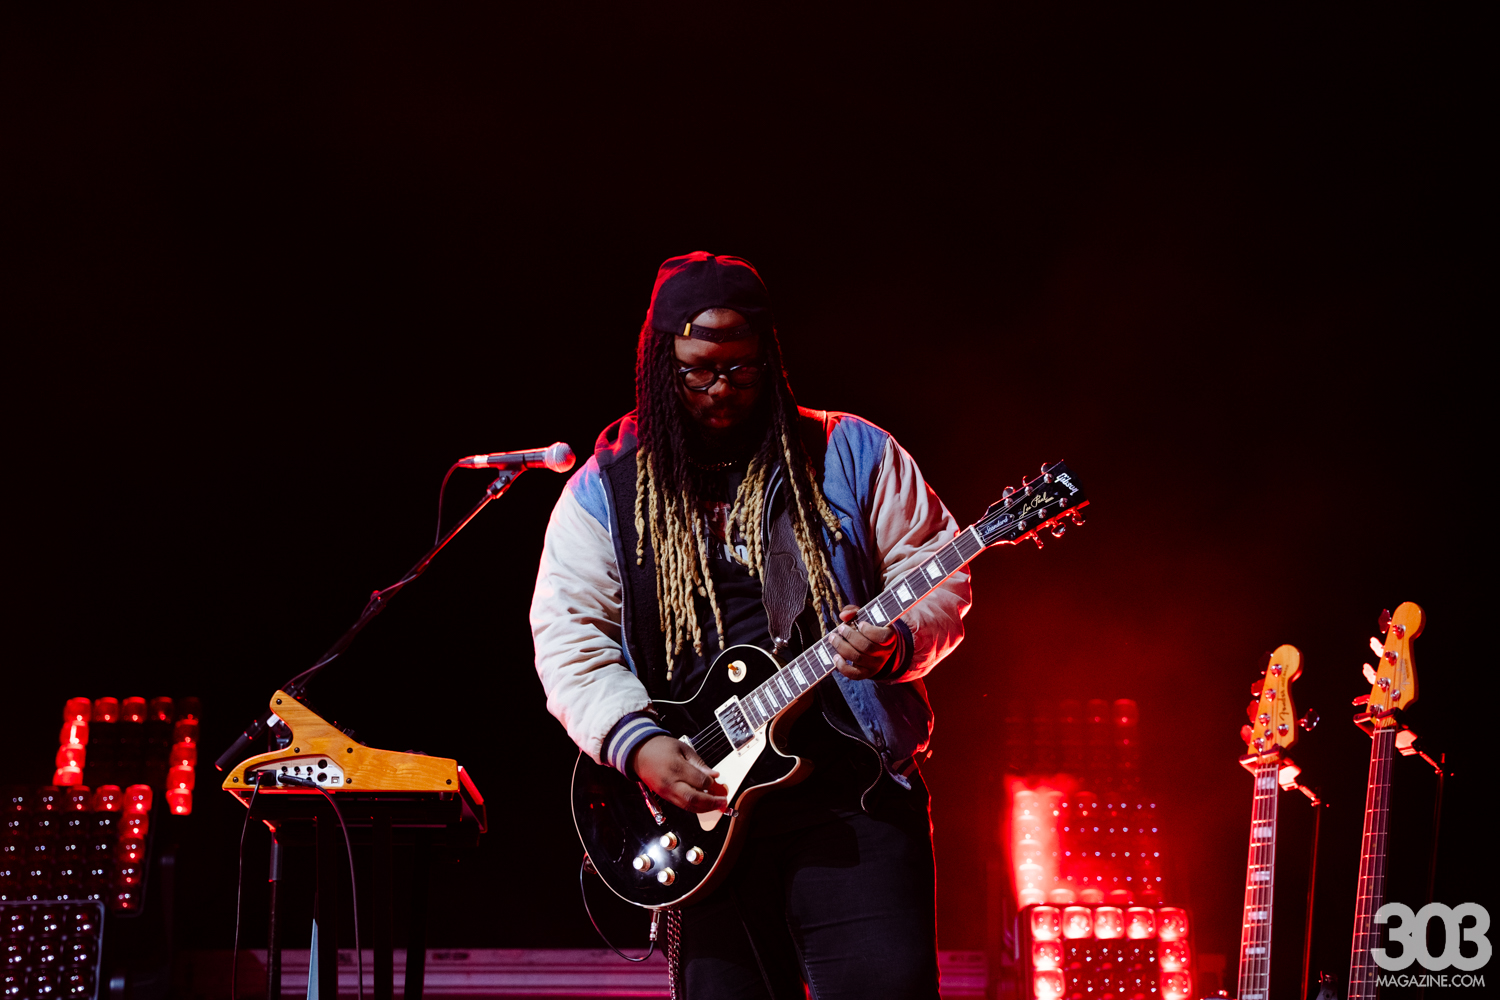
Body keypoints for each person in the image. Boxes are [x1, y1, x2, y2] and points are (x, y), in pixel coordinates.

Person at [531, 251, 971, 999]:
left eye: (740, 368)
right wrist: (637, 744)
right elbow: (571, 638)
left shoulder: (849, 451)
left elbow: (938, 570)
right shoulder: (605, 489)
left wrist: (897, 642)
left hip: (853, 801)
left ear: (770, 357)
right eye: (698, 372)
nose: (721, 389)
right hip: (703, 816)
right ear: (660, 365)